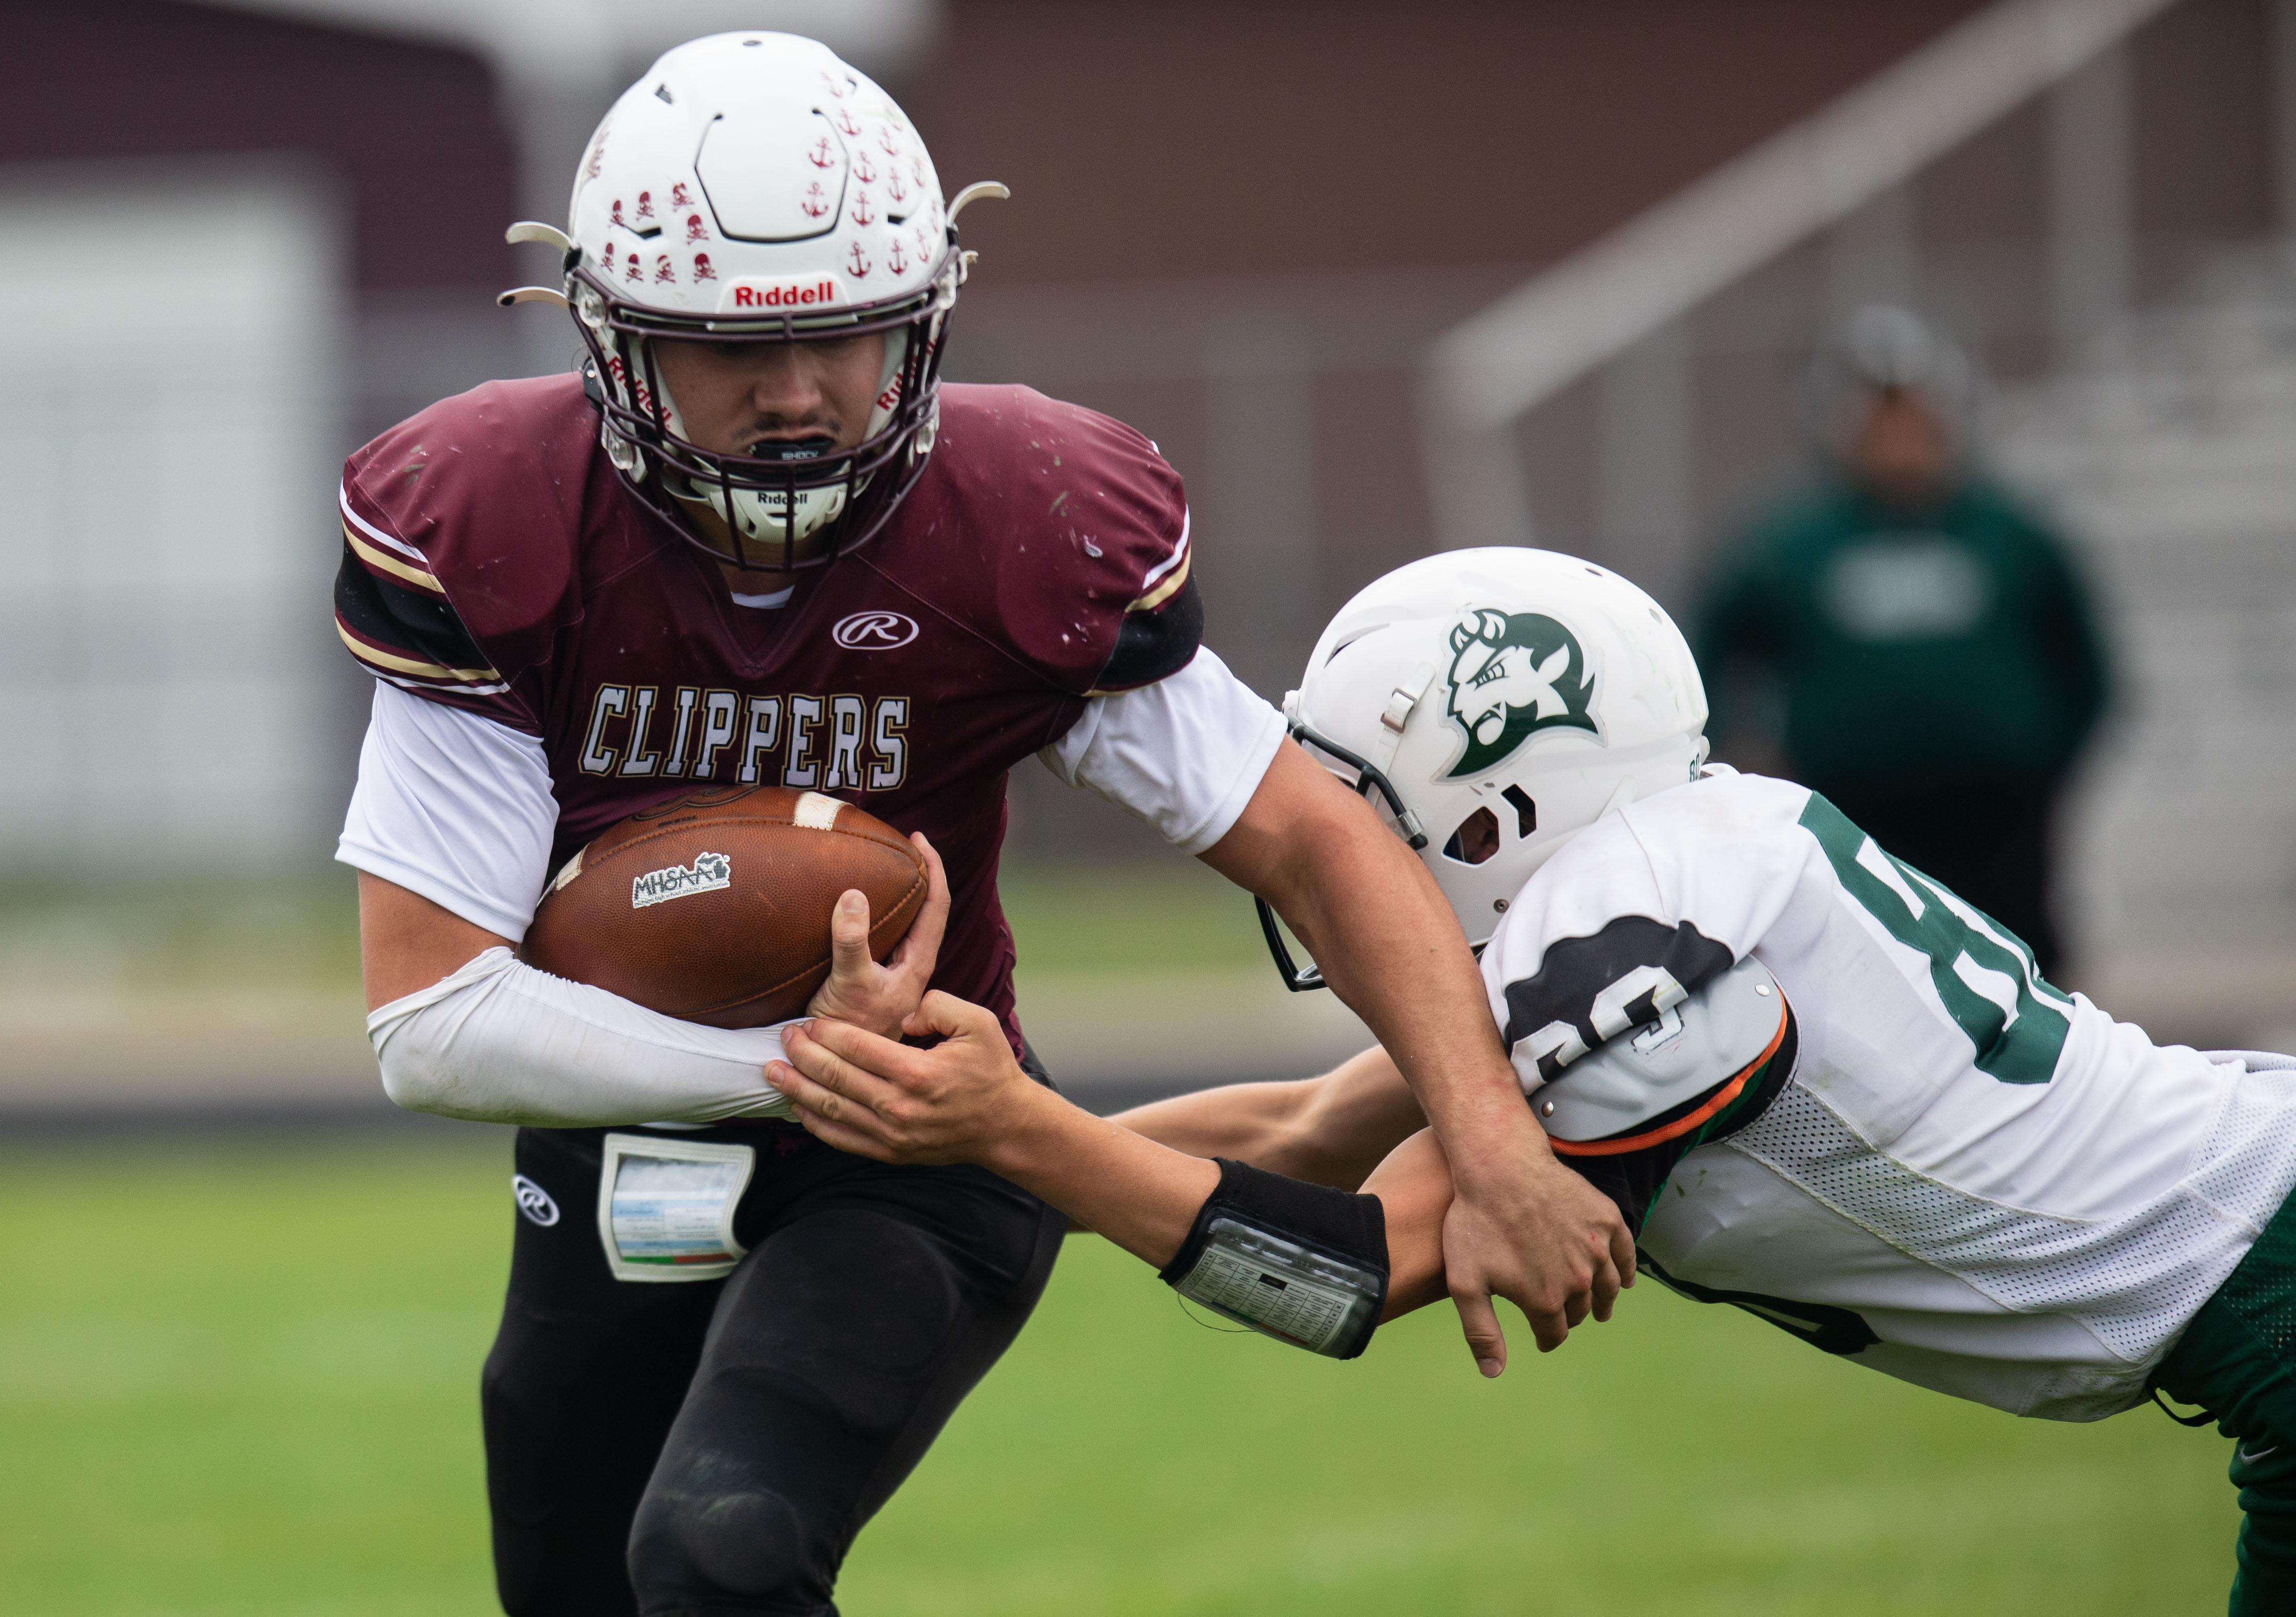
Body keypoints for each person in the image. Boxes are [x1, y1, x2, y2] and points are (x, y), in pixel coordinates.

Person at [331, 33, 1630, 1617]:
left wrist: (1488, 1139)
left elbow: (1310, 837)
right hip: (633, 1127)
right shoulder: (495, 519)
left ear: (925, 316)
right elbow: (433, 1016)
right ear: (609, 339)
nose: (798, 393)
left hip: (930, 1162)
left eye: (850, 335)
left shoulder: (1021, 519)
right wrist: (811, 1069)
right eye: (731, 349)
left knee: (720, 1553)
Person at [767, 547, 2296, 1614]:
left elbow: (1347, 1271)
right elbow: (1304, 1128)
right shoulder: (1671, 869)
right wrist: (922, 1150)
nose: (1335, 856)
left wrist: (1016, 1125)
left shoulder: (1627, 948)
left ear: (1495, 810)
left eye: (1369, 816)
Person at [1695, 306, 2109, 974]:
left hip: (1997, 820)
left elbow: (2086, 668)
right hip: (1859, 817)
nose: (1900, 441)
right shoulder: (1790, 545)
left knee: (2020, 967)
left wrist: (2038, 761)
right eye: (1881, 422)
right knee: (1870, 972)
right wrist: (1746, 752)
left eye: (1915, 420)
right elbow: (1715, 651)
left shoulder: (2012, 534)